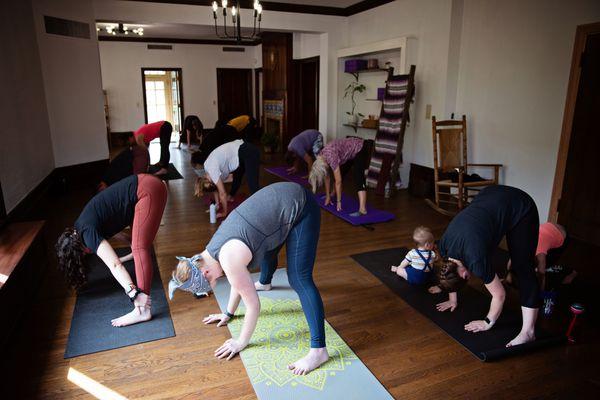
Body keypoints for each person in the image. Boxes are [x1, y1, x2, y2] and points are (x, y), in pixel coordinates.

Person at [170, 182, 328, 375]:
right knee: (265, 248)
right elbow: (238, 280)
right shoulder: (210, 252)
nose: (213, 287)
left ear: (205, 273)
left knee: (299, 279)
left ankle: (319, 350)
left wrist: (240, 342)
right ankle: (265, 282)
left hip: (301, 206)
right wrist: (228, 313)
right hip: (282, 200)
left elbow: (253, 306)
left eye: (210, 285)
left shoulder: (228, 258)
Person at [434, 185, 540, 347]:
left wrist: (487, 322)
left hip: (521, 207)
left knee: (523, 267)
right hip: (492, 194)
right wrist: (452, 299)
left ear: (465, 275)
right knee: (507, 255)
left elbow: (500, 295)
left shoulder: (476, 259)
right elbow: (449, 272)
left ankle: (528, 332)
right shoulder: (443, 246)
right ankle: (513, 261)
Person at [56, 174, 168, 327]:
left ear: (77, 250)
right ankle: (141, 305)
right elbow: (112, 222)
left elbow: (115, 265)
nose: (88, 254)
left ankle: (142, 310)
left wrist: (134, 294)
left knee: (139, 248)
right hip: (147, 186)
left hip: (147, 190)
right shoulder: (81, 225)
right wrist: (130, 242)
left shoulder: (86, 233)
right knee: (138, 247)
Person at [195, 139, 260, 218]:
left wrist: (224, 213)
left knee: (253, 186)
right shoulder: (207, 169)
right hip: (240, 153)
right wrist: (217, 205)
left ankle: (259, 209)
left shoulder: (212, 171)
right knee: (237, 178)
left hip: (249, 152)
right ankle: (231, 196)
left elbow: (222, 193)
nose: (214, 184)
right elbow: (215, 188)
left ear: (208, 181)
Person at [309, 137, 373, 217]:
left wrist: (339, 201)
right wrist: (328, 196)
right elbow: (326, 177)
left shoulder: (331, 158)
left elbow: (338, 182)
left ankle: (363, 209)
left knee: (358, 177)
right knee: (341, 173)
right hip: (349, 151)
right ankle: (332, 194)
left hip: (360, 147)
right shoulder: (321, 157)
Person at [505, 222, 568, 289]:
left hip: (562, 235)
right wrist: (508, 277)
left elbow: (541, 275)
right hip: (549, 226)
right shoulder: (519, 247)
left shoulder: (540, 254)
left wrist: (539, 293)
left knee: (547, 264)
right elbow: (510, 264)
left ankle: (571, 273)